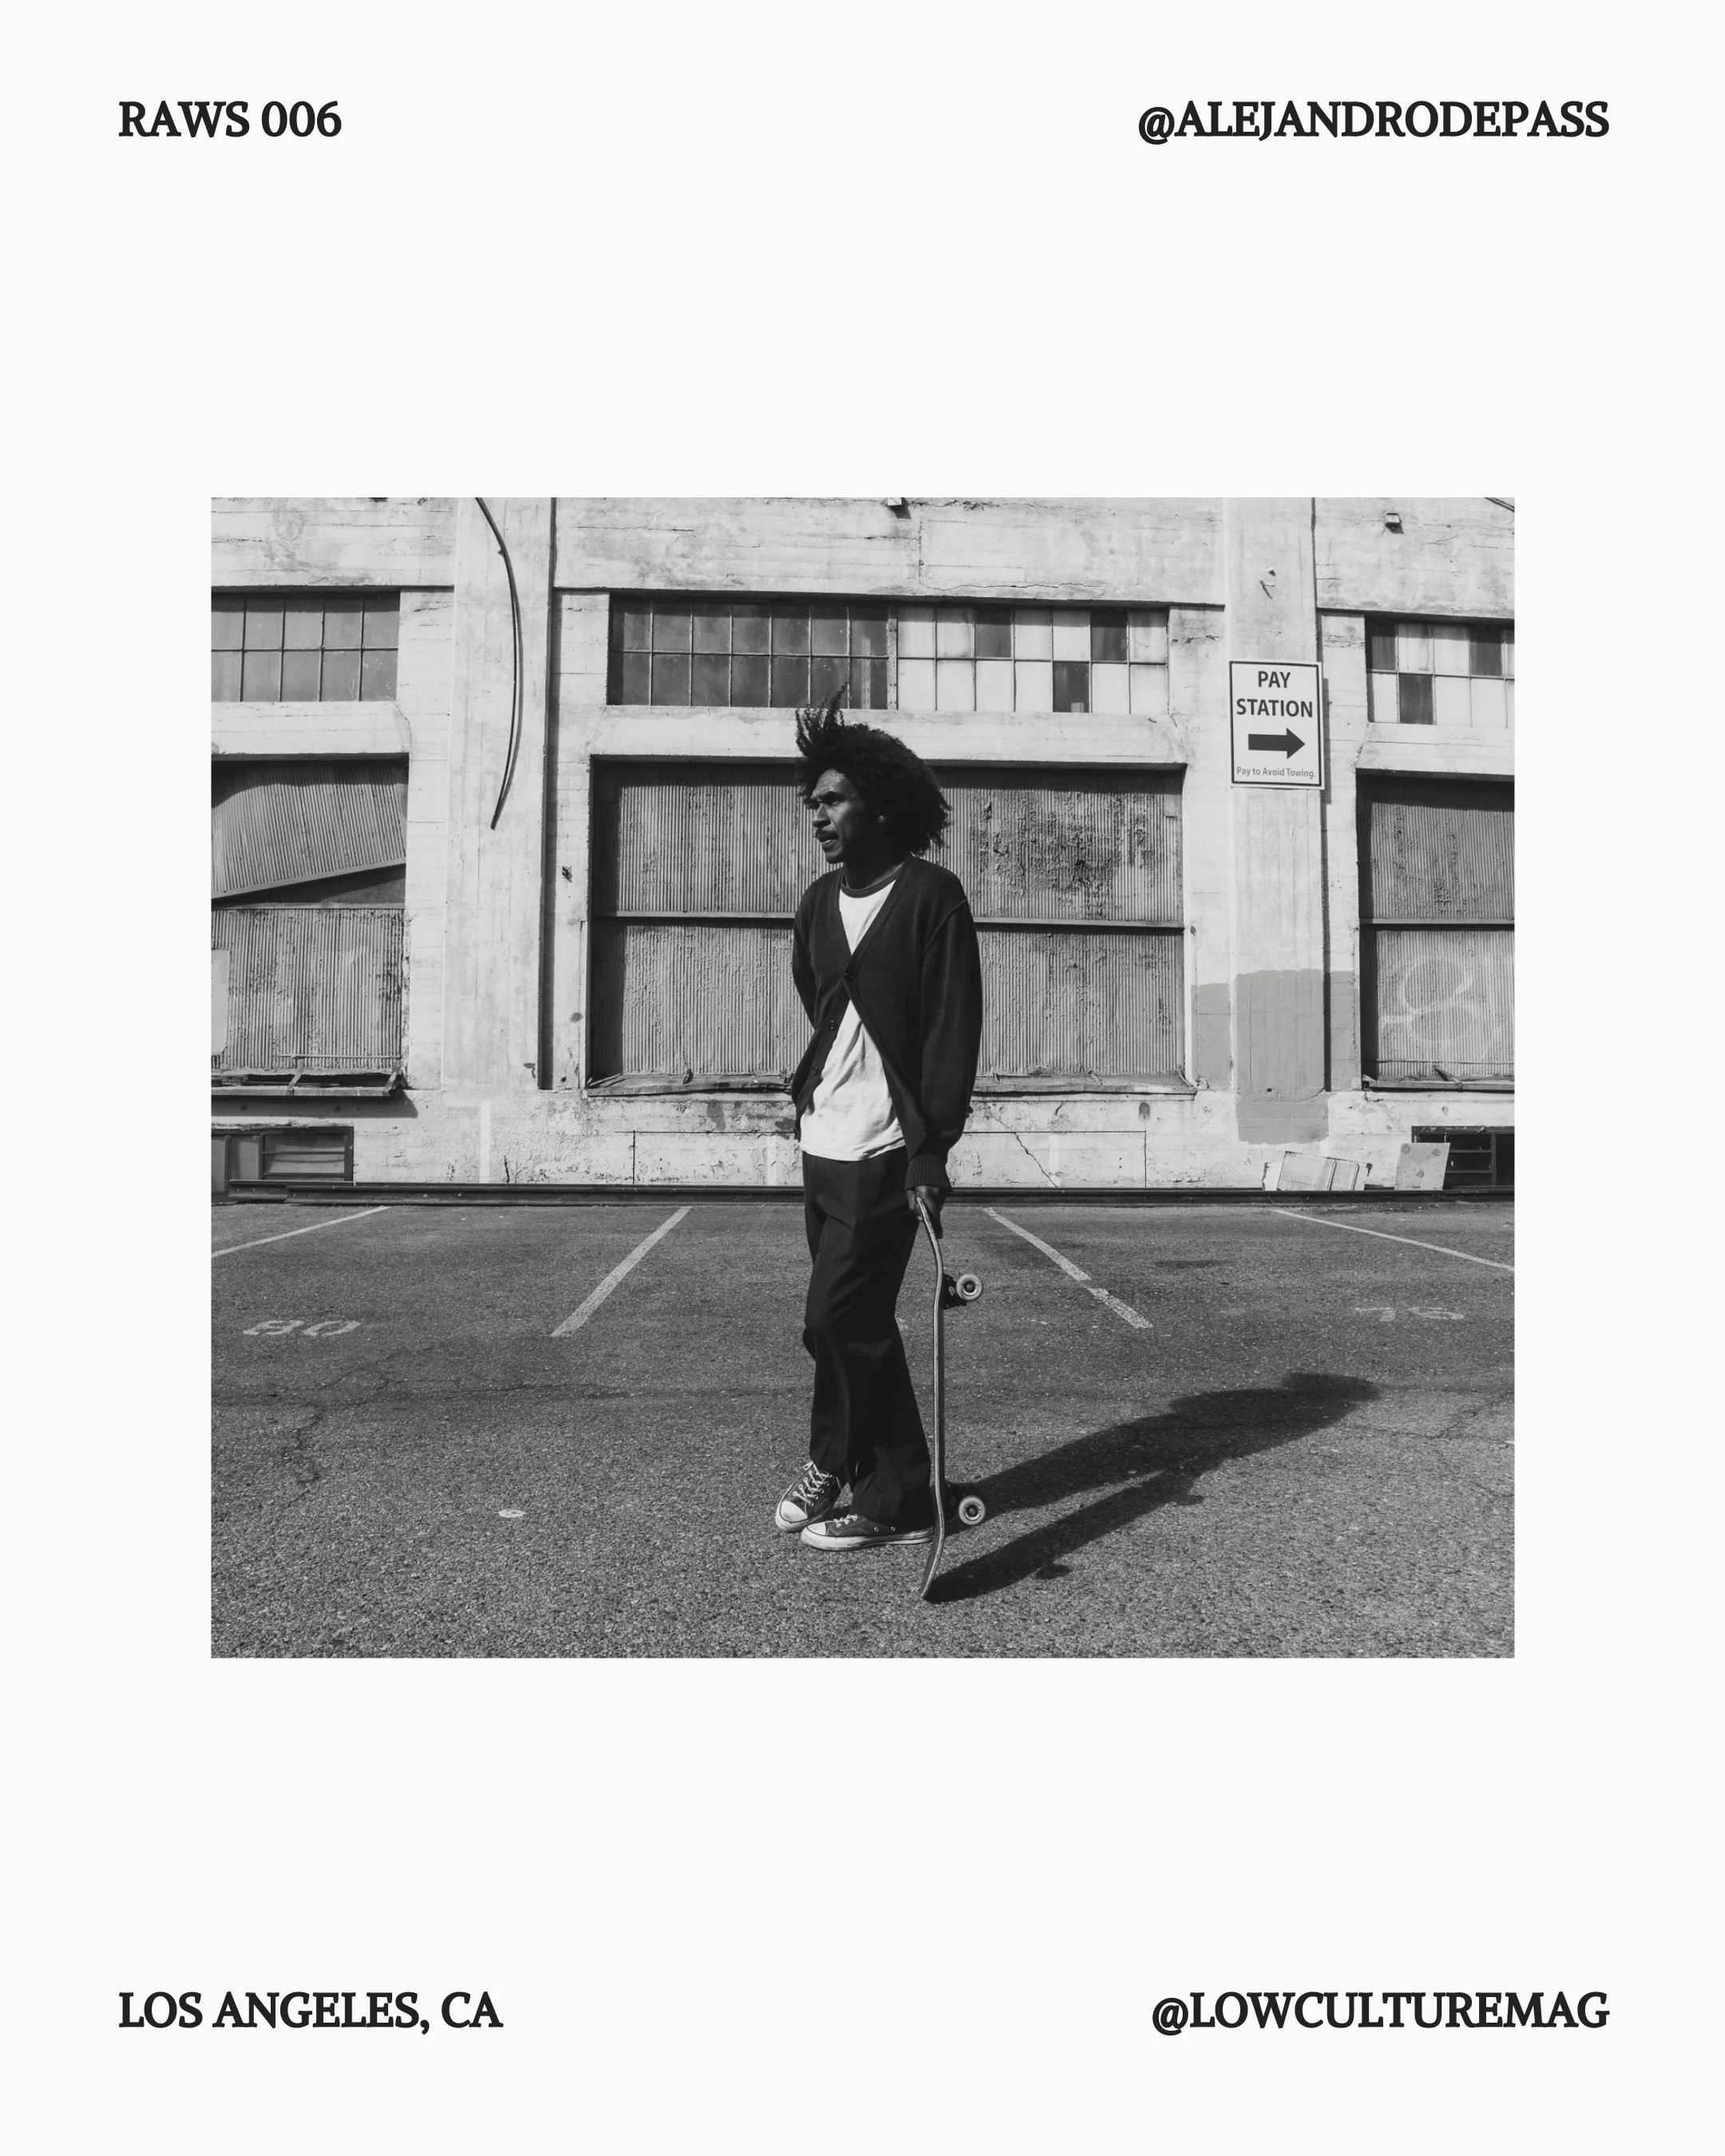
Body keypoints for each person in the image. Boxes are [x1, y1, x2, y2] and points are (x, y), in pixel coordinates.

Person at [775, 694, 984, 1551]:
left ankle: (879, 1487)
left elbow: (950, 1032)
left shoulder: (933, 897)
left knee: (836, 1319)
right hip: (823, 1141)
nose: (818, 817)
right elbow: (818, 996)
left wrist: (930, 1151)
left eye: (833, 801)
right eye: (813, 803)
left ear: (880, 804)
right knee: (848, 1324)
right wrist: (822, 1088)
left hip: (887, 1150)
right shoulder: (817, 903)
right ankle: (853, 1467)